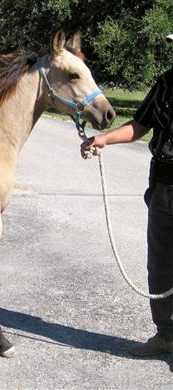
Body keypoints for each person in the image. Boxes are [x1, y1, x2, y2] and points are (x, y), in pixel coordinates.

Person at [80, 33, 173, 356]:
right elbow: (140, 125)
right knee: (160, 263)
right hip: (162, 185)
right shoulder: (166, 83)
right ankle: (166, 335)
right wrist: (104, 139)